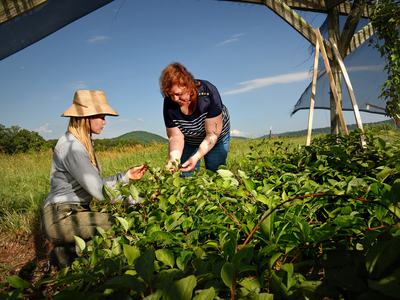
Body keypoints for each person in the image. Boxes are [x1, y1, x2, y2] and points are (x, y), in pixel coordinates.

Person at [41, 90, 147, 267]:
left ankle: (67, 251)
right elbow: (100, 193)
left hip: (74, 211)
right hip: (61, 217)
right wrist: (139, 200)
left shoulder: (81, 143)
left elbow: (96, 184)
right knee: (119, 224)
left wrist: (126, 176)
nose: (105, 121)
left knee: (100, 239)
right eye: (101, 116)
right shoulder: (72, 147)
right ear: (85, 117)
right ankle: (68, 252)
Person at [160, 62, 231, 175]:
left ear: (189, 85)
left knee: (216, 170)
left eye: (179, 94)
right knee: (185, 175)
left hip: (215, 137)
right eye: (170, 94)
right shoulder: (169, 102)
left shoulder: (208, 93)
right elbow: (175, 136)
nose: (174, 99)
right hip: (189, 140)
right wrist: (173, 159)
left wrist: (196, 156)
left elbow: (212, 134)